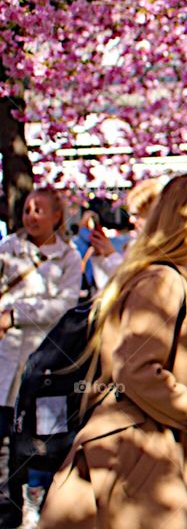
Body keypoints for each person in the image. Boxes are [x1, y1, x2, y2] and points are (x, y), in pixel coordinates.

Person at [39, 174, 187, 529]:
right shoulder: (162, 280)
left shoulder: (168, 277)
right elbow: (136, 371)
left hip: (136, 451)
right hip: (135, 456)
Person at [0, 188, 82, 529]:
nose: (31, 216)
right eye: (28, 209)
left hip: (46, 358)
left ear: (56, 217)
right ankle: (6, 507)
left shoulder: (68, 257)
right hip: (6, 353)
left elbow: (64, 305)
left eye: (39, 210)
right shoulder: (8, 249)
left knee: (42, 439)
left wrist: (16, 313)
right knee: (5, 431)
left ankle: (39, 506)